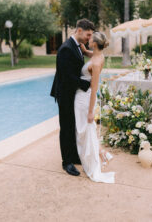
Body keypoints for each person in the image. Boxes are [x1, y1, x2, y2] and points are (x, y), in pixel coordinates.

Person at [50, 18, 95, 177]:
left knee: (73, 125)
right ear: (79, 31)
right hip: (65, 94)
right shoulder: (66, 48)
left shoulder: (77, 46)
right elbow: (66, 76)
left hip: (73, 93)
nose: (89, 38)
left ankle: (74, 156)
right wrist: (84, 84)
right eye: (88, 35)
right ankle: (66, 162)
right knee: (66, 127)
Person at [75, 31, 115, 183]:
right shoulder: (98, 55)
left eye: (90, 39)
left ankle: (92, 160)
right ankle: (101, 153)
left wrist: (91, 111)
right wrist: (83, 49)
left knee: (84, 130)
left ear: (94, 43)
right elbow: (90, 54)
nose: (88, 39)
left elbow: (94, 89)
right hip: (82, 97)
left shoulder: (97, 62)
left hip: (85, 99)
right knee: (85, 130)